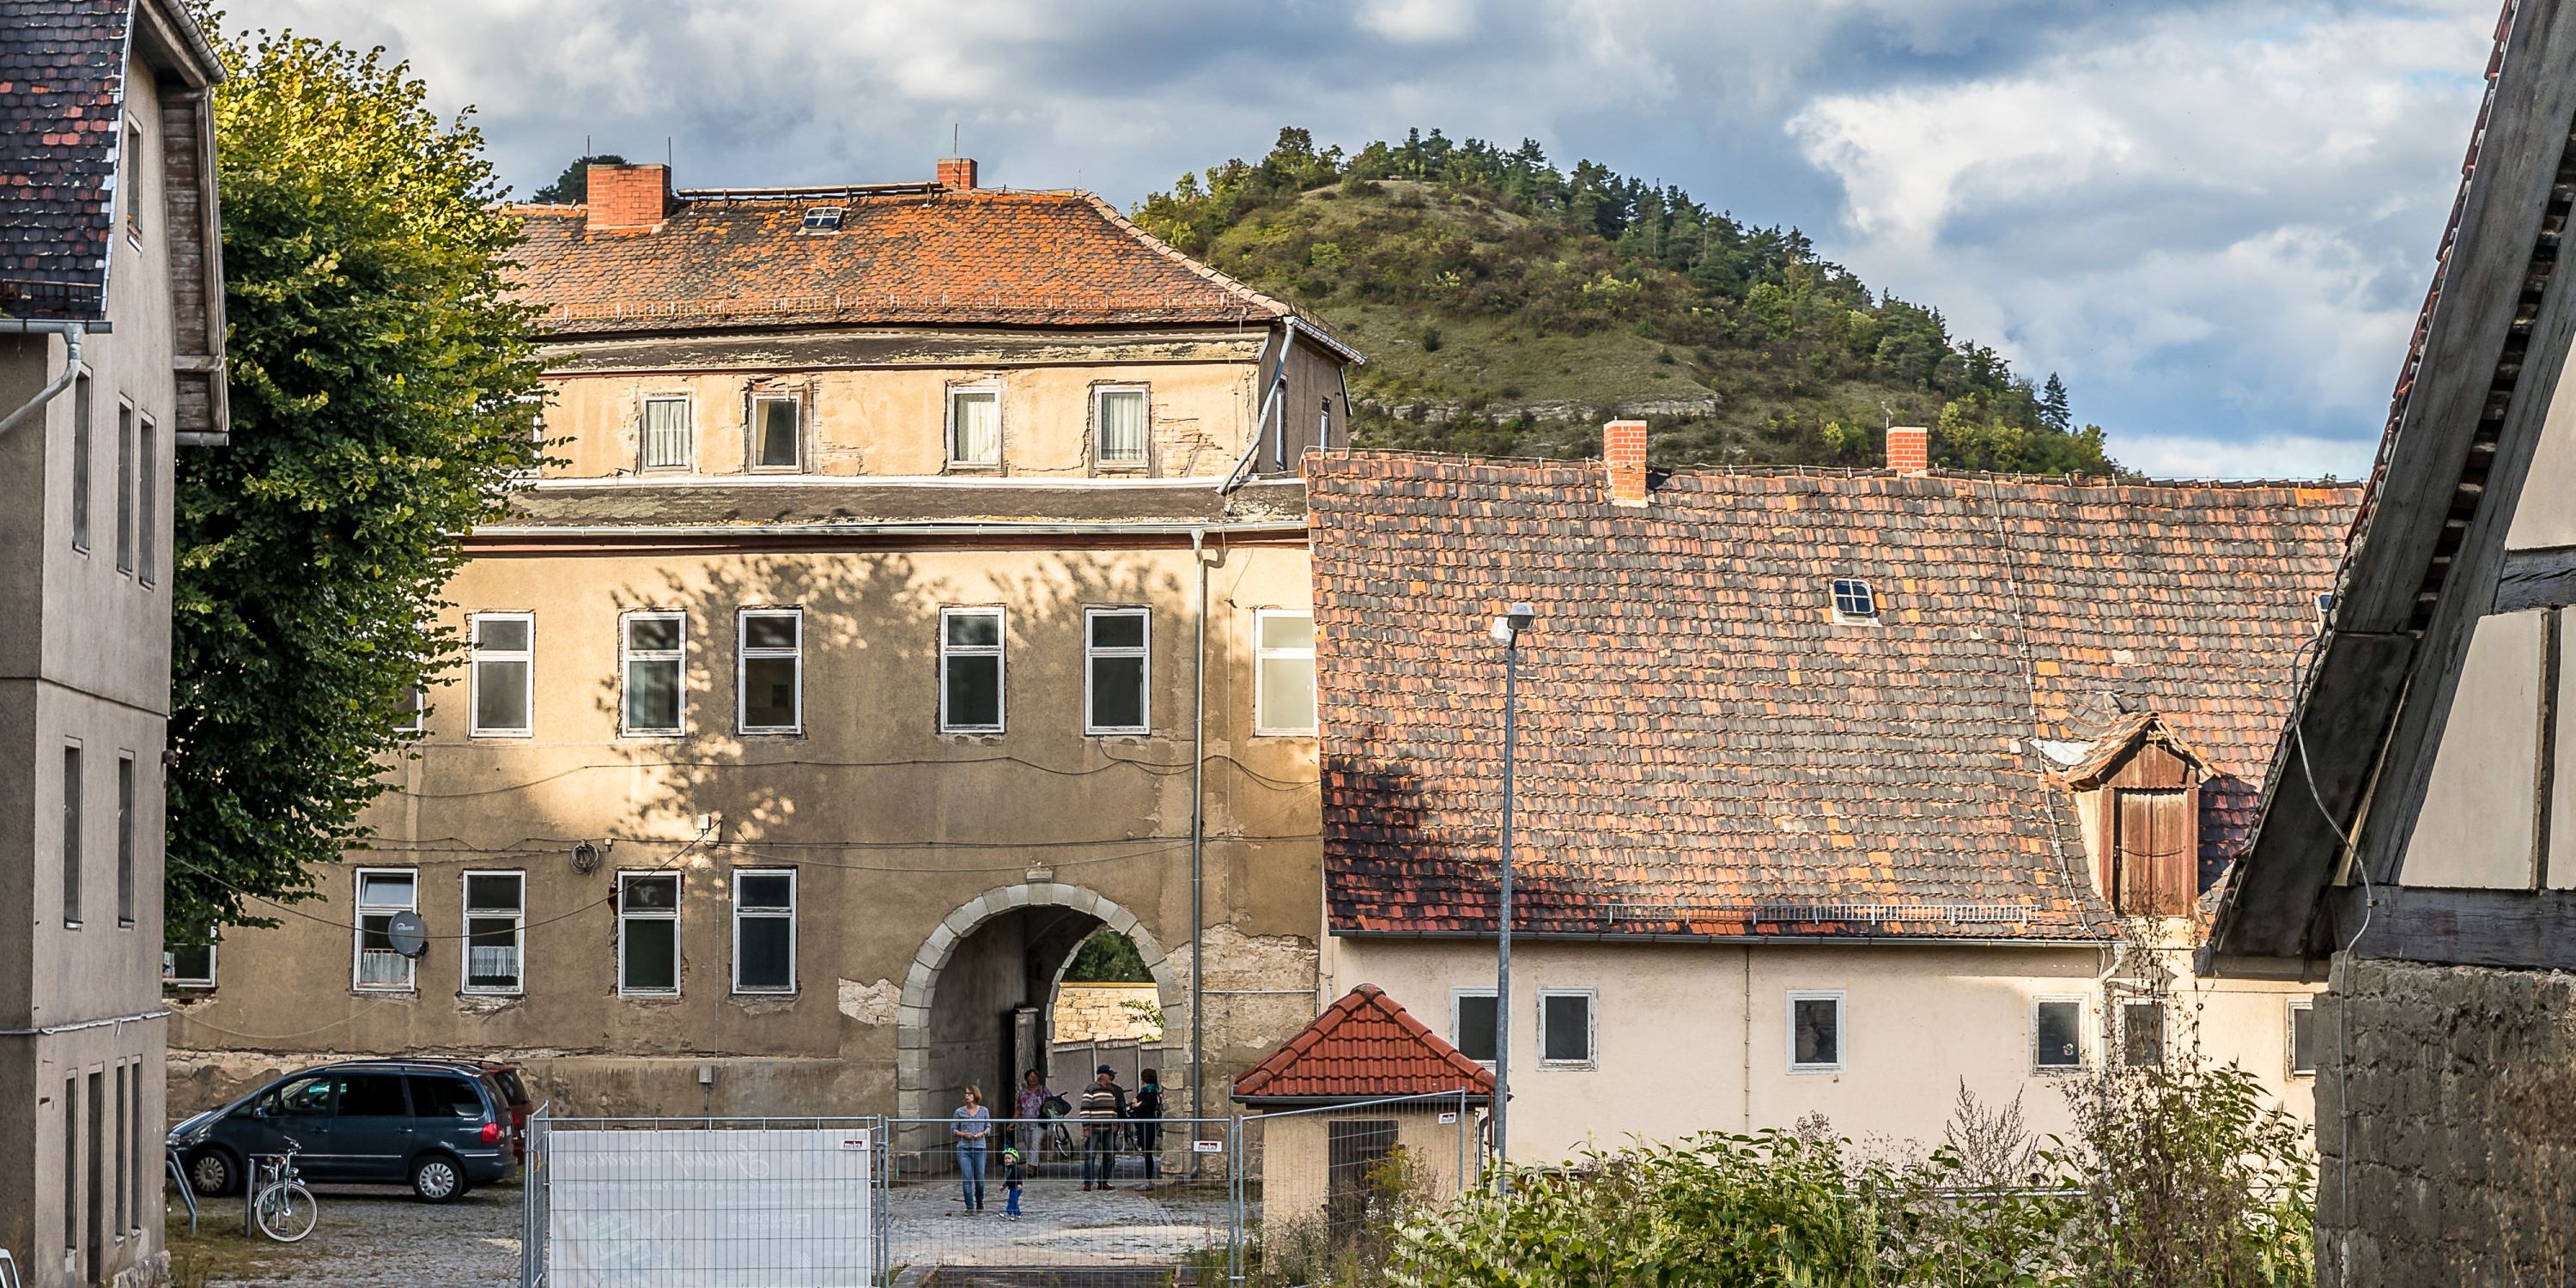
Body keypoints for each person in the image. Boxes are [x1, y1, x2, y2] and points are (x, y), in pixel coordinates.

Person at [1078, 1064, 1126, 1191]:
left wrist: (1115, 1121)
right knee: (1090, 1155)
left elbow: (1113, 1108)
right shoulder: (1091, 1089)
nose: (1111, 1076)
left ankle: (1103, 1181)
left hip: (1109, 1128)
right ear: (1101, 1075)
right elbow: (1085, 1108)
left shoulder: (1111, 1090)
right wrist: (1086, 1126)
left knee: (1109, 1155)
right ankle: (1088, 1182)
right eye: (1109, 1074)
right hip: (1094, 1127)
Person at [951, 1084, 992, 1212]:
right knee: (967, 1179)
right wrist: (963, 1134)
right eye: (966, 1093)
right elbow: (953, 1130)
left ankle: (979, 1200)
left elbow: (988, 1127)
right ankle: (969, 1207)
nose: (967, 1096)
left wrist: (983, 1133)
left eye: (970, 1093)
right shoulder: (959, 1112)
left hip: (980, 1148)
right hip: (964, 1148)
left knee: (980, 1180)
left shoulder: (984, 1111)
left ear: (976, 1095)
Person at [1129, 1068, 1164, 1193]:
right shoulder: (1145, 1090)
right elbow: (1134, 1103)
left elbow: (1143, 1107)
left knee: (1147, 1151)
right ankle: (1148, 1180)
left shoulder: (1151, 1091)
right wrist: (1136, 1105)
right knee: (1144, 1149)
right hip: (1142, 1123)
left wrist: (1137, 1106)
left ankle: (1148, 1180)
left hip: (1148, 1124)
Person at [1015, 1068, 1051, 1159]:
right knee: (1029, 1147)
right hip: (1026, 1123)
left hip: (1039, 1123)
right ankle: (1035, 1165)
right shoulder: (1023, 1093)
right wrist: (1012, 1122)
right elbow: (1019, 1108)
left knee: (1035, 1144)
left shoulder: (1044, 1090)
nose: (1033, 1078)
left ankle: (1031, 1169)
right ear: (1027, 1079)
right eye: (1031, 1077)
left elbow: (1051, 1104)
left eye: (1035, 1076)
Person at [1000, 1144, 1025, 1220]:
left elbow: (1019, 1177)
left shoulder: (1015, 1168)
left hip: (1017, 1188)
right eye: (1005, 1158)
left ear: (1014, 1160)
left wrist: (1020, 1184)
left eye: (1009, 1158)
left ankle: (1008, 1213)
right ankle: (1018, 1215)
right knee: (1014, 1201)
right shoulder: (1007, 1169)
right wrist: (1004, 1186)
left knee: (1011, 1200)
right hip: (1011, 1188)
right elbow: (1008, 1180)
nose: (1007, 1160)